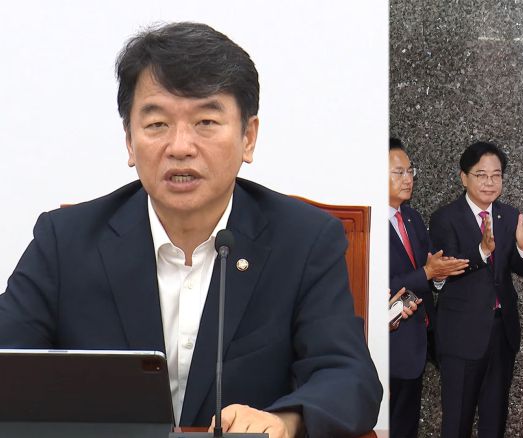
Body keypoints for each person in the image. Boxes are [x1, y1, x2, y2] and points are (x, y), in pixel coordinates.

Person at [0, 22, 381, 437]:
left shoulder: (304, 241)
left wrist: (285, 420)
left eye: (205, 122)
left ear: (248, 138)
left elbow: (349, 378)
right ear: (129, 141)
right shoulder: (65, 242)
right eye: (157, 124)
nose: (180, 146)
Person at [428, 141, 523, 438]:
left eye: (496, 175)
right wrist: (481, 251)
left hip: (501, 333)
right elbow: (445, 271)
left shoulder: (509, 215)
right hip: (460, 336)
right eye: (481, 175)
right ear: (464, 178)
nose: (490, 182)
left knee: (494, 420)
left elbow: (521, 268)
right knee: (457, 422)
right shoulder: (445, 218)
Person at [388, 138, 468, 438]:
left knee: (406, 427)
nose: (408, 178)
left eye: (410, 171)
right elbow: (375, 286)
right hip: (388, 344)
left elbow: (429, 269)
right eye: (399, 172)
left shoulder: (411, 217)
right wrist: (427, 273)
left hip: (417, 342)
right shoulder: (366, 225)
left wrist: (439, 274)